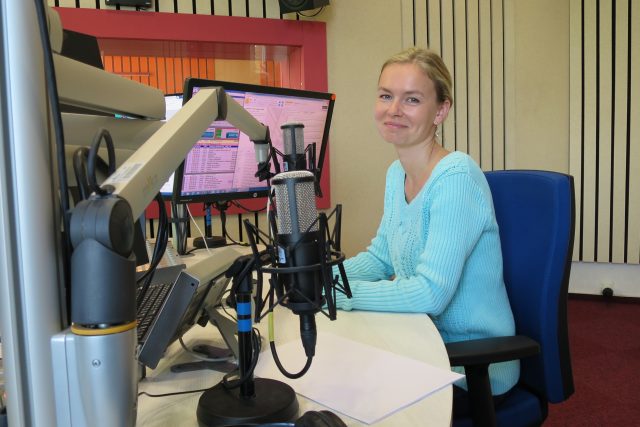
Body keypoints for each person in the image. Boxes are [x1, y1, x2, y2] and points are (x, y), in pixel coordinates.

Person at [334, 47, 519, 415]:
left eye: (412, 99)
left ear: (440, 111)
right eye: (385, 95)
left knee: (348, 401)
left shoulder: (456, 178)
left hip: (471, 367)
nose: (393, 109)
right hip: (420, 345)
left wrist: (338, 293)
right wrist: (320, 278)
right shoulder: (396, 174)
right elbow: (380, 258)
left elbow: (430, 293)